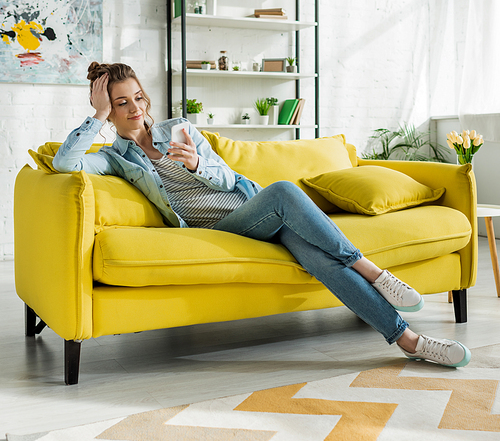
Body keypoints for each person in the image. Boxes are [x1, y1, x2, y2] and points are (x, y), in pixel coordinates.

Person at [53, 62, 471, 368]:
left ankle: (411, 343)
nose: (134, 109)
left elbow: (230, 178)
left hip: (257, 211)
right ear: (109, 108)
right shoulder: (113, 157)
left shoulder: (181, 130)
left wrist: (198, 164)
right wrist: (98, 115)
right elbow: (64, 164)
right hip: (228, 228)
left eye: (137, 98)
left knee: (321, 261)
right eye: (120, 103)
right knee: (285, 191)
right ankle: (375, 272)